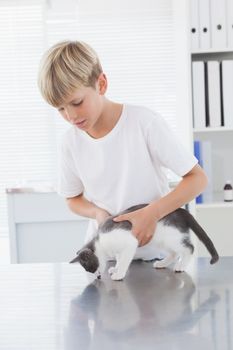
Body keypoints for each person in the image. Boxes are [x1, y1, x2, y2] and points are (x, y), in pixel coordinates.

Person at [37, 40, 207, 257]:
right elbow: (73, 199)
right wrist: (96, 212)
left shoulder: (144, 123)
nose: (70, 116)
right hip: (105, 258)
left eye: (77, 102)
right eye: (60, 109)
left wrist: (152, 214)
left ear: (101, 84)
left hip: (155, 255)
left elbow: (197, 179)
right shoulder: (70, 142)